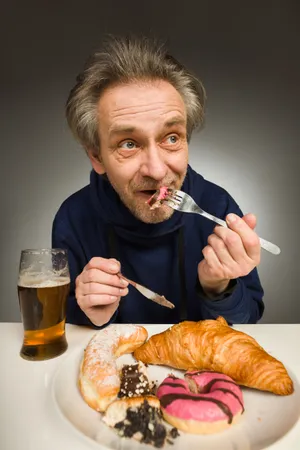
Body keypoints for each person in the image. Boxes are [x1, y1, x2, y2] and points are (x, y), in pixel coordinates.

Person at [52, 35, 264, 328]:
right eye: (128, 143)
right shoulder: (73, 218)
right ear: (97, 156)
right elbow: (59, 323)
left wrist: (218, 287)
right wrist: (87, 312)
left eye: (172, 138)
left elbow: (249, 321)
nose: (155, 169)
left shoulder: (217, 206)